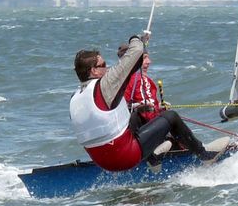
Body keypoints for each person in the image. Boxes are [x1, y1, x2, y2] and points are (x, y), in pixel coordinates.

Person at [69, 33, 216, 172]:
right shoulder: (104, 86)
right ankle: (205, 155)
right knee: (171, 117)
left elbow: (102, 120)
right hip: (124, 157)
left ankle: (154, 158)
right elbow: (137, 50)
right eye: (104, 64)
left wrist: (138, 109)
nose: (107, 68)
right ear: (94, 71)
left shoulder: (74, 99)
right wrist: (137, 38)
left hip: (102, 163)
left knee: (135, 115)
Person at [117, 39, 165, 127]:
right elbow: (149, 114)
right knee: (172, 116)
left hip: (144, 123)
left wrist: (159, 107)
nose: (149, 61)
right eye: (144, 58)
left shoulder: (145, 80)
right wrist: (139, 106)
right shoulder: (134, 79)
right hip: (142, 126)